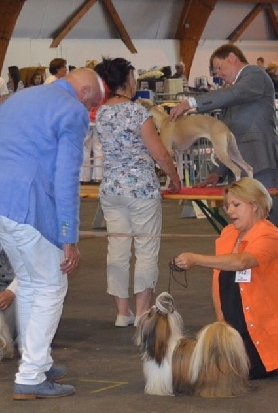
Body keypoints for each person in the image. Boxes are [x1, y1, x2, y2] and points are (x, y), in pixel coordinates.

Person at [0, 68, 105, 400]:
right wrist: (68, 236)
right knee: (50, 287)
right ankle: (31, 376)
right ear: (85, 92)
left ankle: (37, 361)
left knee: (30, 284)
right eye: (93, 106)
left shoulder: (17, 100)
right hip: (25, 206)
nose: (89, 113)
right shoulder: (71, 109)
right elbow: (66, 177)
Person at [173, 178, 278, 379]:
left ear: (255, 206)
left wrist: (196, 259)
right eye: (227, 205)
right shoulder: (227, 234)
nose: (229, 211)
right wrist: (221, 326)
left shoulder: (270, 237)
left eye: (236, 205)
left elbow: (241, 262)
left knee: (242, 372)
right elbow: (218, 282)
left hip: (268, 327)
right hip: (238, 325)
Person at [93, 57, 181, 326]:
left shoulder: (102, 113)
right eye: (133, 78)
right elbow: (160, 154)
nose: (136, 82)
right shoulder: (137, 112)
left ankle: (122, 312)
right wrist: (175, 178)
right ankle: (143, 312)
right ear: (125, 81)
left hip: (111, 189)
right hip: (141, 190)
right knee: (145, 249)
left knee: (117, 250)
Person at [169, 44, 278, 234]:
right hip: (242, 170)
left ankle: (274, 263)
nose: (218, 74)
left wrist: (191, 102)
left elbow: (235, 94)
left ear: (232, 57)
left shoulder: (254, 75)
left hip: (261, 163)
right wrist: (217, 172)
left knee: (268, 225)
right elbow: (227, 137)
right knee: (246, 227)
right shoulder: (233, 91)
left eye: (219, 68)